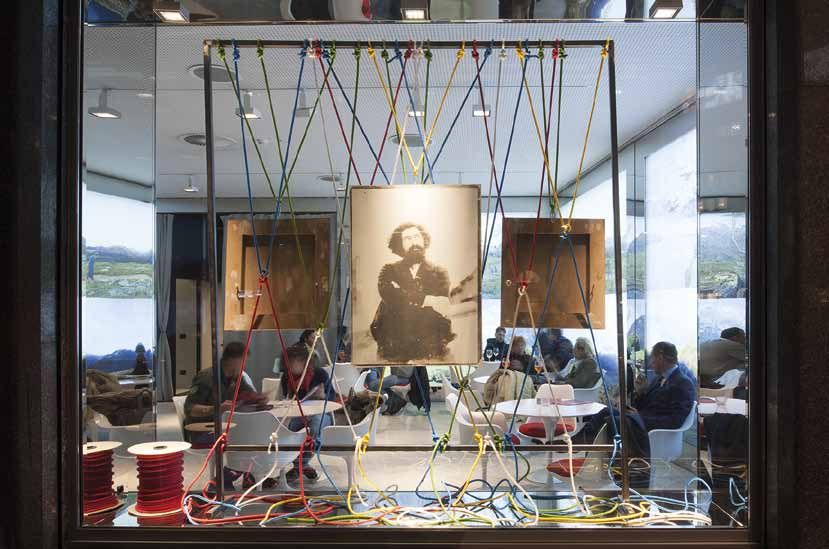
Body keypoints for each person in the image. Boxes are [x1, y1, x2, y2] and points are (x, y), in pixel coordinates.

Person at [581, 341, 696, 459]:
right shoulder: (658, 379)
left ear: (660, 358)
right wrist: (641, 392)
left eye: (652, 359)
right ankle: (583, 442)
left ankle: (610, 459)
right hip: (641, 419)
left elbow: (675, 420)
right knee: (606, 411)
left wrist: (639, 417)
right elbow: (645, 406)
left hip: (656, 430)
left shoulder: (683, 383)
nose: (651, 363)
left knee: (614, 421)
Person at [184, 342, 267, 489]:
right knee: (247, 443)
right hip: (202, 431)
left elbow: (250, 394)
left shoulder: (236, 377)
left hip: (226, 428)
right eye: (243, 362)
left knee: (257, 438)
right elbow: (190, 409)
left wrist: (259, 399)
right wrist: (217, 408)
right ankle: (223, 480)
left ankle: (243, 475)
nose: (244, 366)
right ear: (233, 361)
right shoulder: (207, 377)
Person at [370, 222, 455, 362]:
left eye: (416, 237)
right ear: (400, 244)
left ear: (424, 240)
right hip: (393, 344)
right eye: (407, 239)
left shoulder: (440, 272)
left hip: (429, 345)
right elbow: (389, 295)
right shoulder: (388, 270)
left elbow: (441, 304)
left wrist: (402, 294)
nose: (414, 242)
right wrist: (426, 299)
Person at [278, 343, 334, 484]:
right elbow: (286, 398)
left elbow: (332, 397)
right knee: (290, 430)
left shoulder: (319, 374)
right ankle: (303, 466)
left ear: (304, 361)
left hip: (321, 413)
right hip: (299, 414)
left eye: (294, 361)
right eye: (288, 362)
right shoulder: (286, 377)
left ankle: (299, 466)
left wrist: (323, 395)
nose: (290, 365)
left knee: (315, 426)